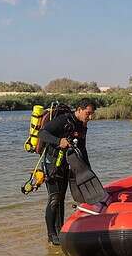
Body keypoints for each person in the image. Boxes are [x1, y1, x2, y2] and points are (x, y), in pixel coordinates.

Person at [37, 99, 96, 245]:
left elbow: (82, 148)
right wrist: (59, 141)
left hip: (65, 164)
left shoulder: (82, 126)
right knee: (54, 198)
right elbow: (42, 134)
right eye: (88, 113)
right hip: (52, 163)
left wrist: (88, 169)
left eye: (92, 114)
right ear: (79, 109)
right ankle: (51, 235)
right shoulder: (63, 120)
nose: (90, 117)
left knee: (61, 198)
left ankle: (60, 230)